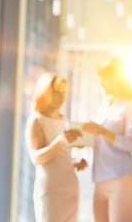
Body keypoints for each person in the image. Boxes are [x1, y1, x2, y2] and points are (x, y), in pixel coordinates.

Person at [82, 58, 132, 222]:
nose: (101, 83)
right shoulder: (104, 107)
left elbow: (131, 144)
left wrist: (102, 131)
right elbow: (99, 142)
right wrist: (83, 140)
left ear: (117, 79)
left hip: (121, 179)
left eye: (105, 78)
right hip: (99, 180)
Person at [25, 72, 87, 222]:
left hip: (70, 188)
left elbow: (59, 157)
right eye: (56, 93)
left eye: (63, 93)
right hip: (51, 190)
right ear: (45, 93)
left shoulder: (64, 120)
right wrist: (60, 141)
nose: (61, 98)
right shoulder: (36, 120)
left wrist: (74, 163)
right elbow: (37, 158)